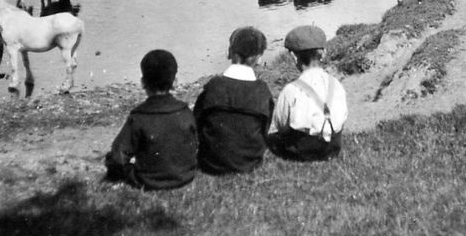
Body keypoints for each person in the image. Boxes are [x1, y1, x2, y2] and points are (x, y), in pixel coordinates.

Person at [105, 48, 198, 190]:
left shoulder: (139, 116)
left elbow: (119, 156)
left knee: (113, 160)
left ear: (143, 82)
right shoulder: (185, 112)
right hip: (185, 177)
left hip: (147, 180)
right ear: (175, 82)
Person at [194, 26, 274, 174]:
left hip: (210, 162)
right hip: (250, 161)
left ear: (229, 53)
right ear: (259, 58)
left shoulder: (213, 86)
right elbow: (265, 128)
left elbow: (197, 121)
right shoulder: (262, 91)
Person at [268, 25, 348, 161]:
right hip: (334, 146)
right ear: (324, 54)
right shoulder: (336, 83)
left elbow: (280, 125)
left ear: (294, 57)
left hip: (304, 149)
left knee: (271, 138)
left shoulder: (291, 89)